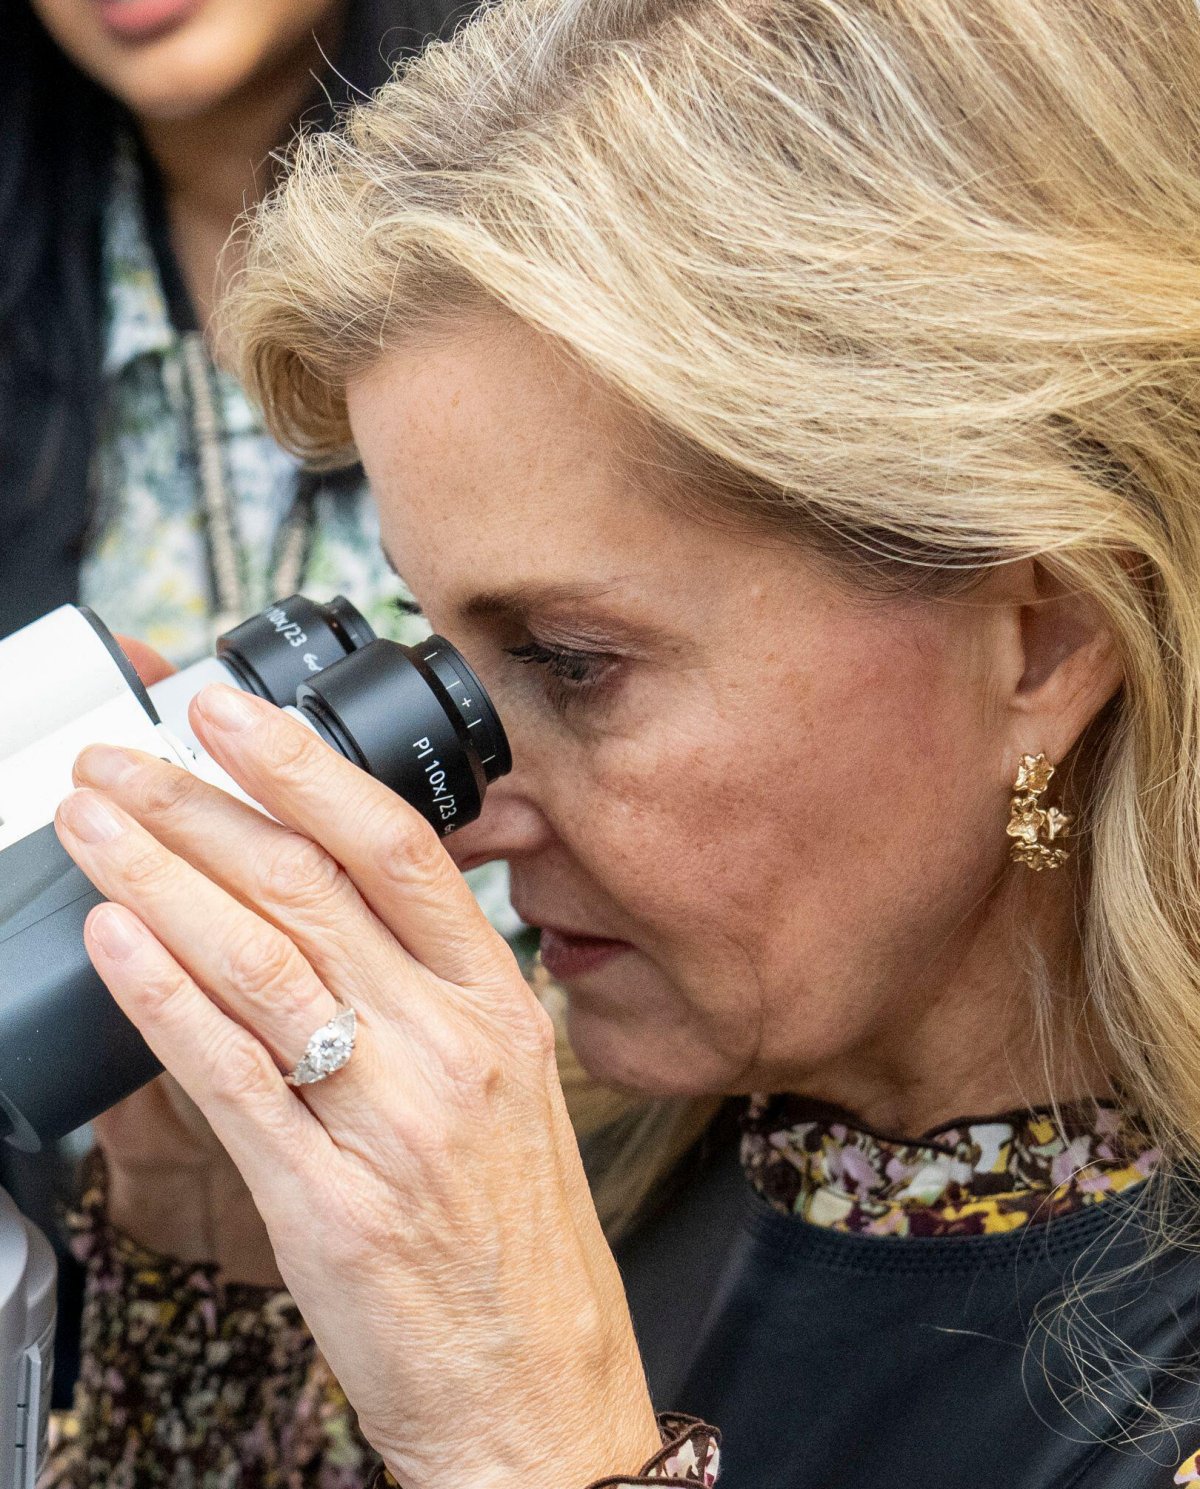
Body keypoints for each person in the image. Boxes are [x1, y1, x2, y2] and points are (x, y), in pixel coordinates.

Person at [43, 0, 1200, 1484]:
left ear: (1043, 637)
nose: (462, 806)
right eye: (432, 647)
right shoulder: (544, 1179)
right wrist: (214, 1277)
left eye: (574, 663)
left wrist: (540, 1446)